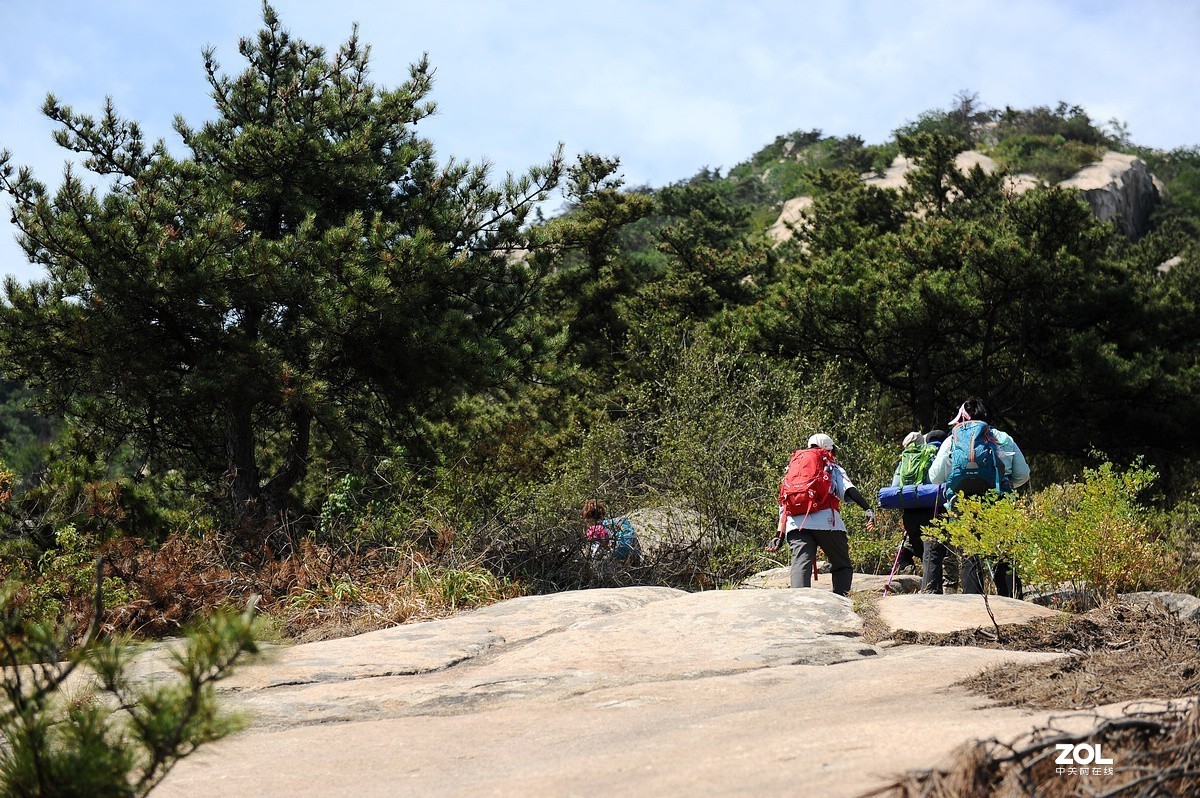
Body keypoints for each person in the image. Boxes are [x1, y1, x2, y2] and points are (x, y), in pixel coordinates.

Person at [926, 398, 1030, 597]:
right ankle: (1012, 601)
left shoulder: (952, 439)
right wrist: (1002, 484)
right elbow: (1023, 474)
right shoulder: (1002, 437)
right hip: (998, 501)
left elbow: (935, 477)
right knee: (1002, 554)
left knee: (970, 555)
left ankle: (973, 603)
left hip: (962, 503)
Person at [767, 433, 875, 596]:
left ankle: (799, 602)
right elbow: (848, 489)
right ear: (829, 449)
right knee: (842, 565)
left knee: (800, 566)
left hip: (796, 525)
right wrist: (867, 508)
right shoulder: (830, 464)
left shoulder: (793, 468)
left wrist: (779, 535)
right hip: (828, 523)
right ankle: (841, 601)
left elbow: (784, 503)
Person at [888, 430, 937, 574]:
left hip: (909, 512)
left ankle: (910, 575)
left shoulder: (903, 461)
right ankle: (930, 583)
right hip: (929, 509)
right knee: (930, 552)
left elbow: (894, 486)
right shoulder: (930, 455)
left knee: (917, 547)